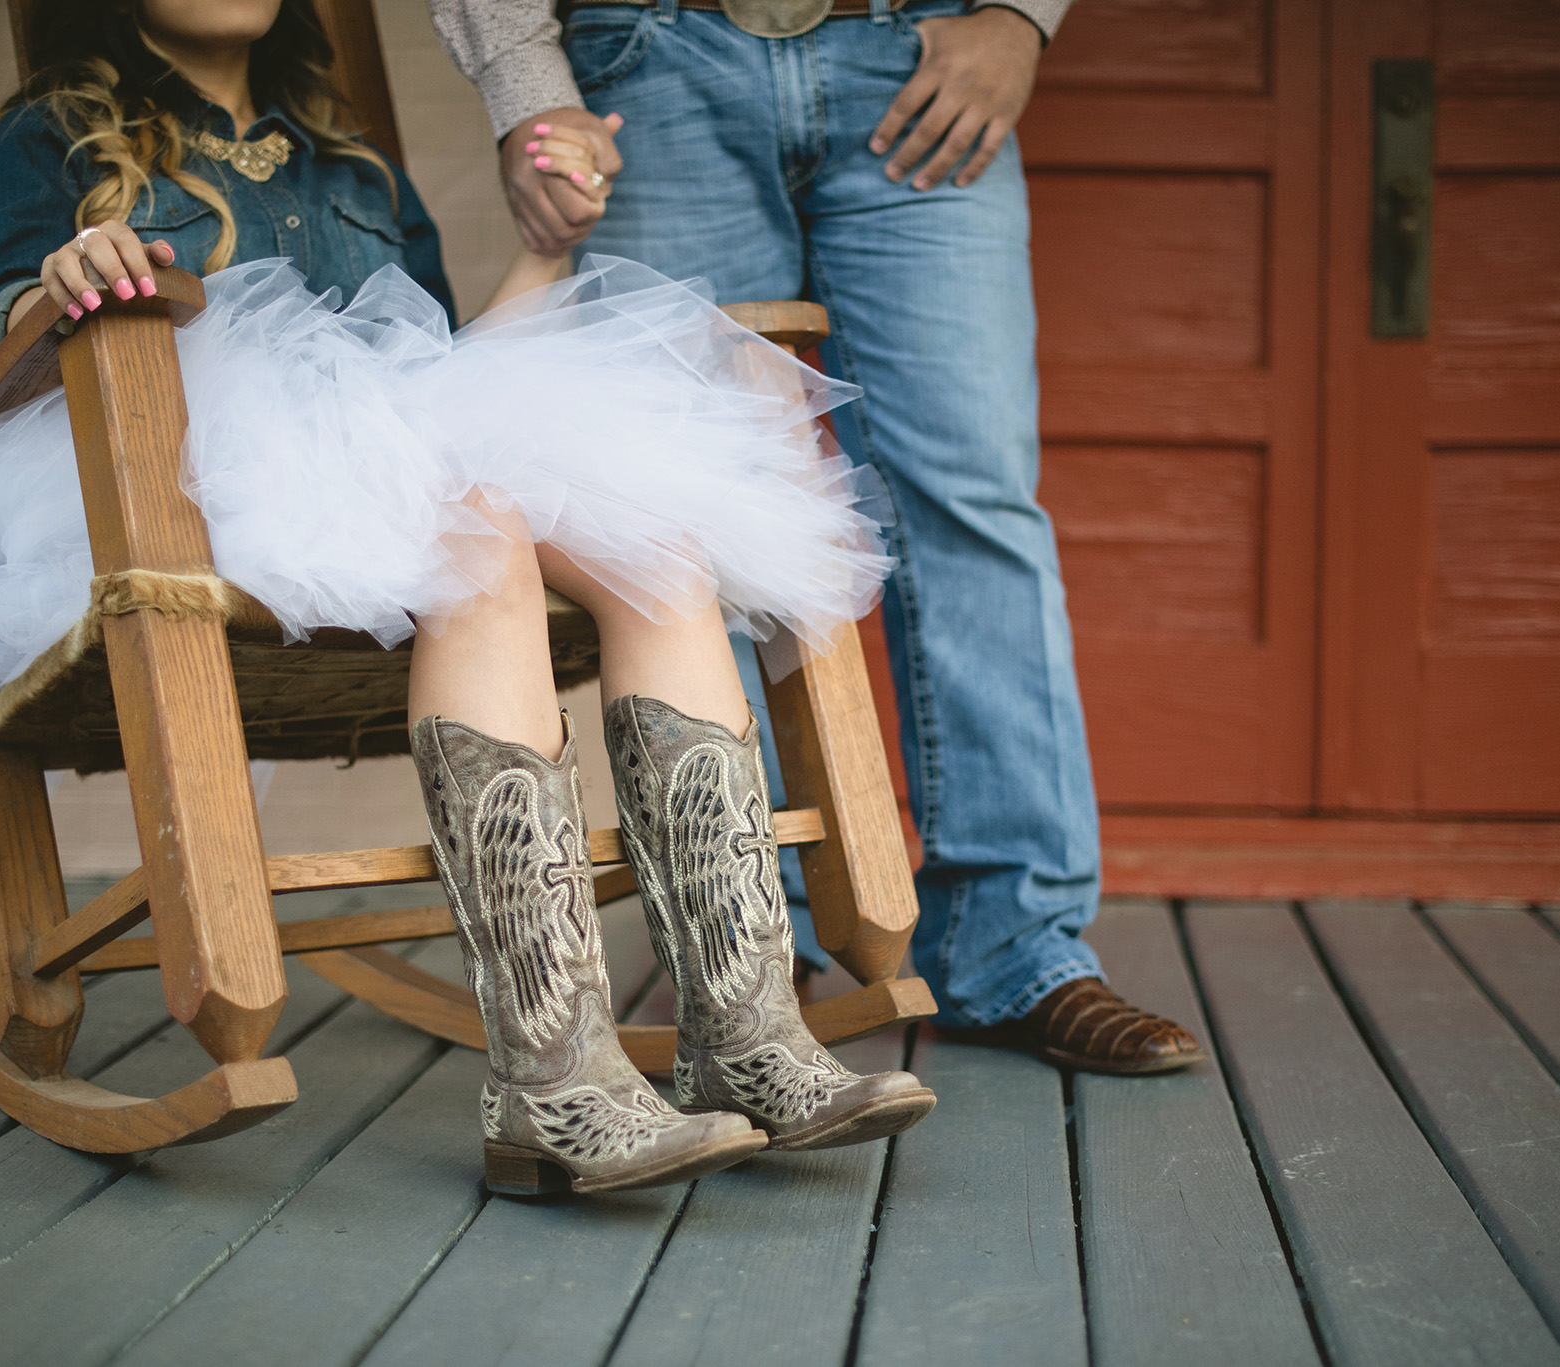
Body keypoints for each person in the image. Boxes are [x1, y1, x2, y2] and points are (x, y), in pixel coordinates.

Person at [0, 0, 935, 1194]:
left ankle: (745, 1032)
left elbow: (449, 370)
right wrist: (61, 273)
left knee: (653, 547)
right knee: (475, 531)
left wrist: (546, 240)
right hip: (177, 479)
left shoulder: (345, 153)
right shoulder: (53, 135)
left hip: (393, 468)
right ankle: (552, 1076)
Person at [426, 0, 1208, 1074]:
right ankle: (747, 954)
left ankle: (1016, 947)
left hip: (922, 48)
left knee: (970, 497)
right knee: (682, 515)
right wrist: (525, 83)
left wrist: (1021, 19)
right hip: (649, 62)